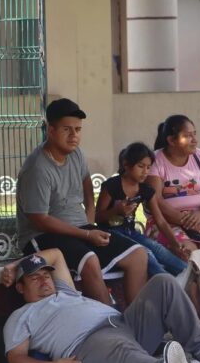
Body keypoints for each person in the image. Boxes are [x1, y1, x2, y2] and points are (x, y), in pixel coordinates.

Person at [1, 249, 200, 363]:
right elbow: (16, 359)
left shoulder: (63, 290)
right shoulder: (22, 316)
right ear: (20, 287)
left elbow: (56, 254)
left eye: (46, 275)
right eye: (34, 278)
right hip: (89, 342)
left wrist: (15, 264)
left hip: (123, 322)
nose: (44, 281)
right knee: (120, 350)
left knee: (163, 282)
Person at [16, 98, 147, 305]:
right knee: (90, 260)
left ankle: (137, 324)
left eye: (78, 129)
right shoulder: (37, 168)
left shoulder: (76, 154)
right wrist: (86, 234)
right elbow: (39, 219)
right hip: (42, 236)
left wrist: (89, 224)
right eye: (67, 129)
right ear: (51, 130)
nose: (74, 135)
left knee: (138, 255)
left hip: (80, 230)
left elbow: (88, 192)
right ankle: (109, 328)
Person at [145, 115, 200, 331]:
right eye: (187, 136)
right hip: (166, 221)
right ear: (171, 140)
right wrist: (188, 221)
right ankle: (193, 319)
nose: (194, 140)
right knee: (190, 255)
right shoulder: (157, 160)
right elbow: (154, 200)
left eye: (195, 134)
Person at [95, 142, 188, 277]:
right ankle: (167, 284)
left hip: (131, 232)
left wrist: (176, 245)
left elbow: (160, 220)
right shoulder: (112, 186)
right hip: (111, 235)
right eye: (140, 166)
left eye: (148, 167)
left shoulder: (145, 190)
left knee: (159, 250)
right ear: (126, 164)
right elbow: (97, 217)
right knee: (146, 254)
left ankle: (189, 273)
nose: (145, 171)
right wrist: (115, 211)